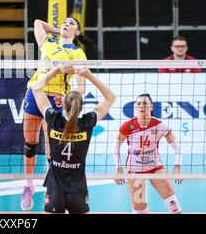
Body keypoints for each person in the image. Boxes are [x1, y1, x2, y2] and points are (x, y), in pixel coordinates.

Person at [21, 17, 90, 211]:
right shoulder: (47, 43)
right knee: (30, 143)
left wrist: (68, 96)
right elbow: (36, 23)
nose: (66, 25)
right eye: (64, 22)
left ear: (77, 32)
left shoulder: (78, 53)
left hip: (57, 99)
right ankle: (28, 185)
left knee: (53, 149)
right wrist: (58, 31)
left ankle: (54, 187)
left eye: (71, 24)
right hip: (35, 93)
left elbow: (82, 86)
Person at [31, 65, 115, 214]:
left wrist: (57, 70)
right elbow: (110, 98)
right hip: (78, 187)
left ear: (63, 104)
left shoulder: (53, 119)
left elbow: (36, 88)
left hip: (55, 187)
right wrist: (89, 76)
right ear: (81, 107)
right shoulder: (87, 122)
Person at [113, 93, 183, 214]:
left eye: (145, 103)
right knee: (140, 211)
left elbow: (177, 148)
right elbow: (115, 147)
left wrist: (177, 166)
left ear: (151, 107)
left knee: (174, 205)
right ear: (135, 107)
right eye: (138, 104)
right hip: (134, 169)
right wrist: (118, 169)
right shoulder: (128, 125)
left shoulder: (160, 125)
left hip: (155, 167)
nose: (141, 106)